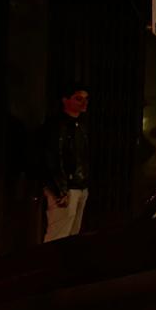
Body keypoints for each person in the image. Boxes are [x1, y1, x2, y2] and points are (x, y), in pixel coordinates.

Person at [40, 80, 90, 242]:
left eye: (85, 99)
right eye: (78, 98)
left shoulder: (79, 126)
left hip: (77, 185)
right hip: (67, 186)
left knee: (69, 234)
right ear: (65, 100)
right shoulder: (58, 126)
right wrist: (59, 188)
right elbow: (53, 157)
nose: (84, 102)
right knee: (59, 234)